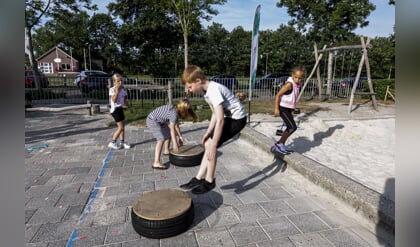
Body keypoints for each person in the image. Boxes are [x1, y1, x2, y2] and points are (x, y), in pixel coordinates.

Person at [180, 65, 247, 194]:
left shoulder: (213, 90)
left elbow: (221, 120)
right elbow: (215, 114)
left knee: (211, 145)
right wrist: (208, 132)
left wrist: (214, 143)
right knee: (207, 143)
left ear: (198, 81)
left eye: (190, 87)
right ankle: (199, 178)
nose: (189, 90)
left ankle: (209, 181)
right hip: (228, 117)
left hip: (238, 119)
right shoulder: (206, 92)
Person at [147, 99, 197, 169]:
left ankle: (166, 150)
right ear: (182, 109)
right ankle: (156, 162)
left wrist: (180, 137)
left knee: (167, 135)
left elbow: (176, 126)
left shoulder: (175, 110)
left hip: (160, 121)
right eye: (186, 110)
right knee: (161, 139)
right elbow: (172, 130)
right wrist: (175, 144)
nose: (187, 112)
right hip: (152, 120)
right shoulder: (174, 113)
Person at [273, 66, 305, 154]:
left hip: (288, 108)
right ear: (292, 75)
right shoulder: (289, 85)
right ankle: (279, 144)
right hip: (282, 108)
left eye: (300, 78)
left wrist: (292, 110)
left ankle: (281, 144)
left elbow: (293, 98)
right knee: (292, 127)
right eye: (296, 77)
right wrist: (276, 109)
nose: (297, 79)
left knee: (290, 126)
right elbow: (278, 95)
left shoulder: (298, 85)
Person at [108, 73, 131, 150]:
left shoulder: (123, 90)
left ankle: (122, 142)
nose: (120, 82)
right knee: (120, 127)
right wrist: (117, 91)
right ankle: (112, 142)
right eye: (118, 81)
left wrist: (129, 107)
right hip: (115, 110)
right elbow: (114, 100)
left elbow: (125, 100)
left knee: (122, 127)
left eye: (121, 80)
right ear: (114, 82)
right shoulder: (112, 89)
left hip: (120, 109)